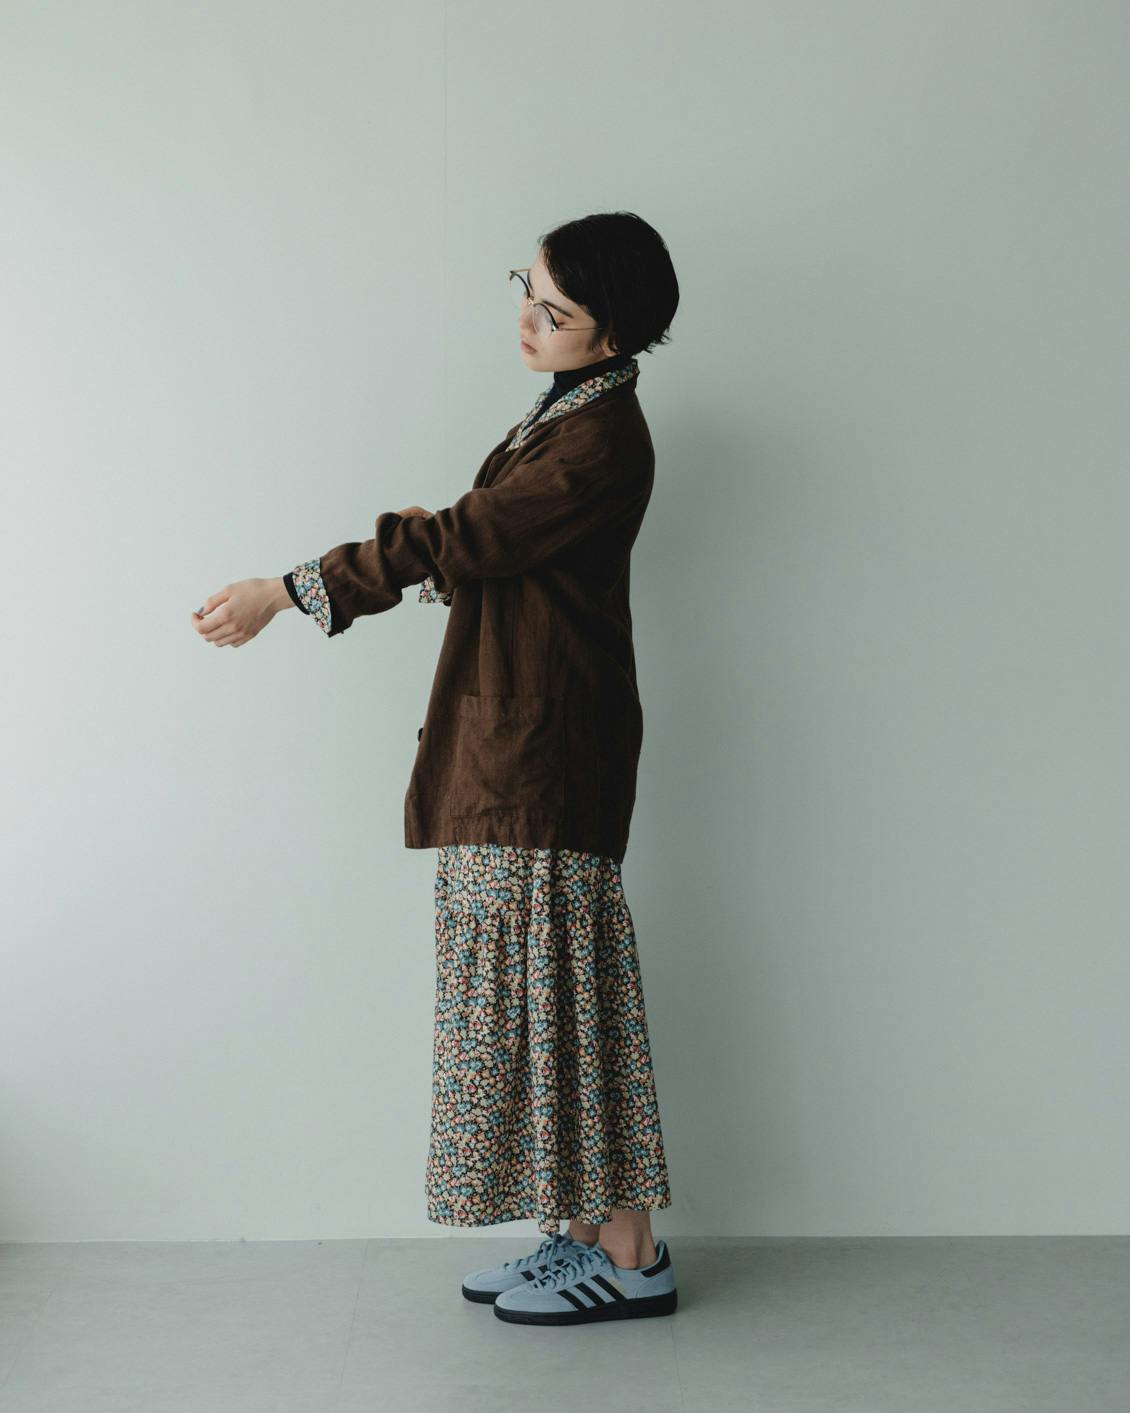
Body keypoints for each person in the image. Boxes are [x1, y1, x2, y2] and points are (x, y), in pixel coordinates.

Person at [192, 211, 681, 1327]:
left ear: (610, 336)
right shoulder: (567, 412)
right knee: (531, 1003)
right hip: (517, 750)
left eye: (554, 311)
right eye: (526, 290)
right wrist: (450, 537)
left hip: (545, 760)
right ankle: (576, 1234)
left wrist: (290, 591)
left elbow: (470, 539)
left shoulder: (600, 439)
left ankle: (631, 1252)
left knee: (562, 1000)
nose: (527, 320)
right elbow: (499, 548)